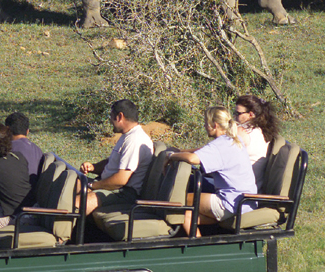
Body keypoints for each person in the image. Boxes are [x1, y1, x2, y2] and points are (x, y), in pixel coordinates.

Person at [164, 106, 258, 235]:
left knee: (179, 200)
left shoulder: (221, 144)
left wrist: (171, 156)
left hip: (231, 203)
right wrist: (181, 151)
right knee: (187, 215)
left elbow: (193, 159)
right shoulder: (233, 140)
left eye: (205, 123)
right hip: (244, 202)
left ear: (214, 125)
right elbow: (204, 151)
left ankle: (195, 243)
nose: (204, 126)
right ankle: (198, 245)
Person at [81, 99, 153, 215]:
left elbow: (121, 180)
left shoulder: (135, 140)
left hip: (123, 193)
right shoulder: (127, 135)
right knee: (71, 186)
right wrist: (93, 167)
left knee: (77, 204)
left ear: (120, 117)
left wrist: (93, 185)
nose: (110, 121)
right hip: (111, 187)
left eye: (111, 116)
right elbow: (113, 162)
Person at [232, 94, 279, 164]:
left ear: (251, 114)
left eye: (238, 113)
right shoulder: (259, 129)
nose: (235, 116)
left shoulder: (243, 131)